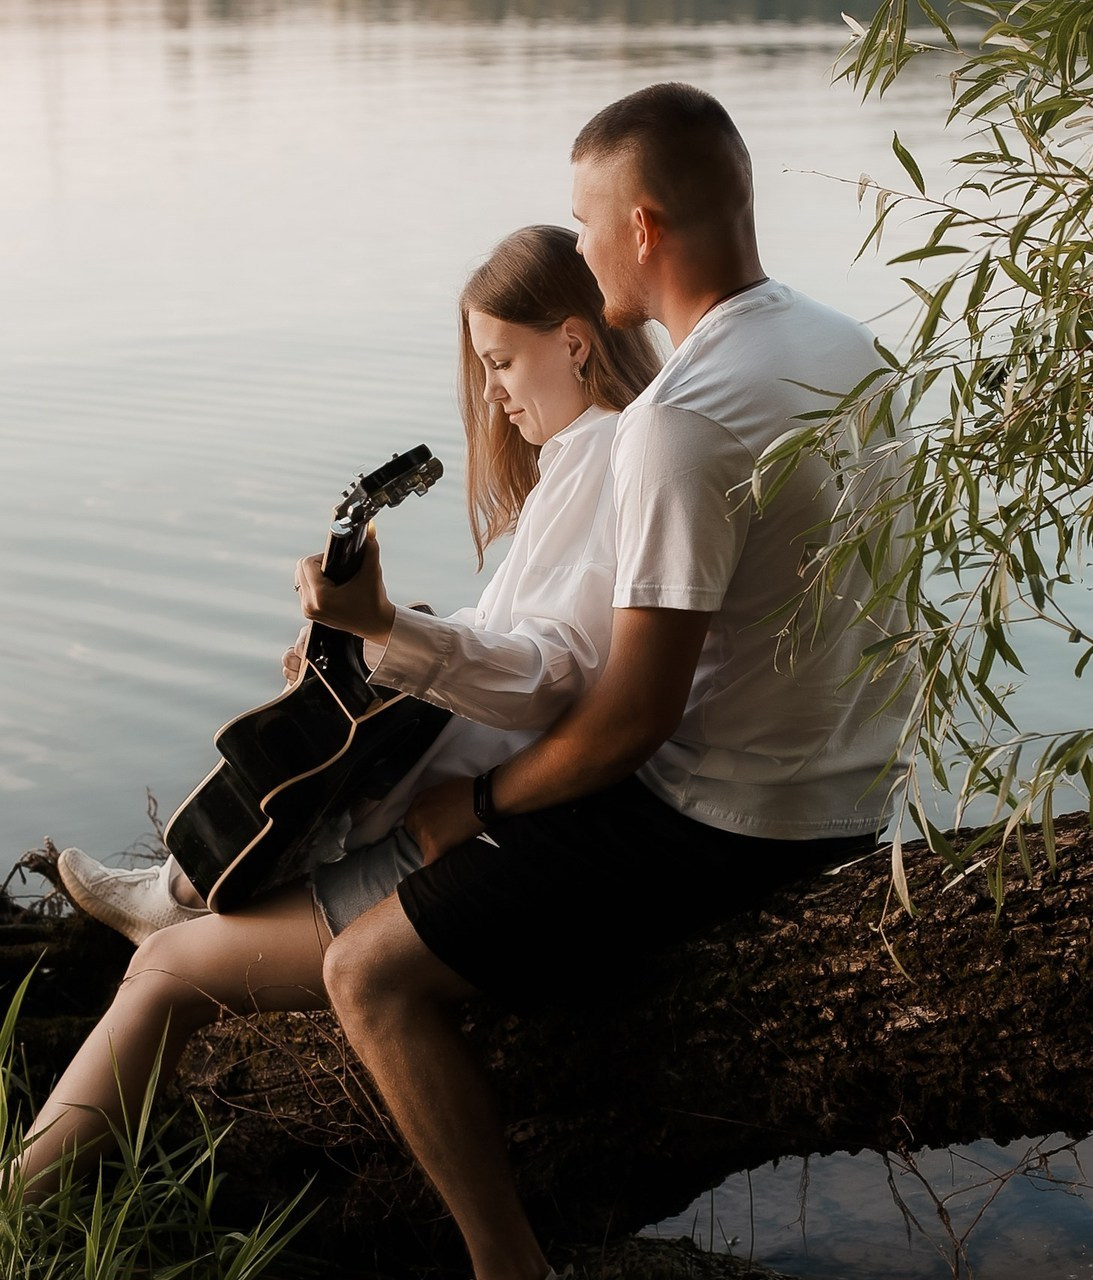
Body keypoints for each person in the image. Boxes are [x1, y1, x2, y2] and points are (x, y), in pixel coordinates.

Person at [306, 83, 917, 1280]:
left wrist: (479, 804)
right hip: (855, 790)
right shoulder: (850, 348)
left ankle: (507, 1265)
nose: (581, 254)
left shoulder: (679, 419)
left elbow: (633, 721)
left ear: (641, 227)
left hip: (729, 817)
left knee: (363, 971)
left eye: (586, 225)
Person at [17, 223, 661, 1265]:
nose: (492, 392)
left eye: (501, 362)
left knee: (169, 971)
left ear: (575, 342)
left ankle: (16, 1211)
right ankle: (183, 887)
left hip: (485, 830)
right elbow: (525, 646)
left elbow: (550, 676)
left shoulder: (604, 462)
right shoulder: (591, 461)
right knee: (280, 800)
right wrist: (376, 649)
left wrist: (388, 629)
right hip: (477, 807)